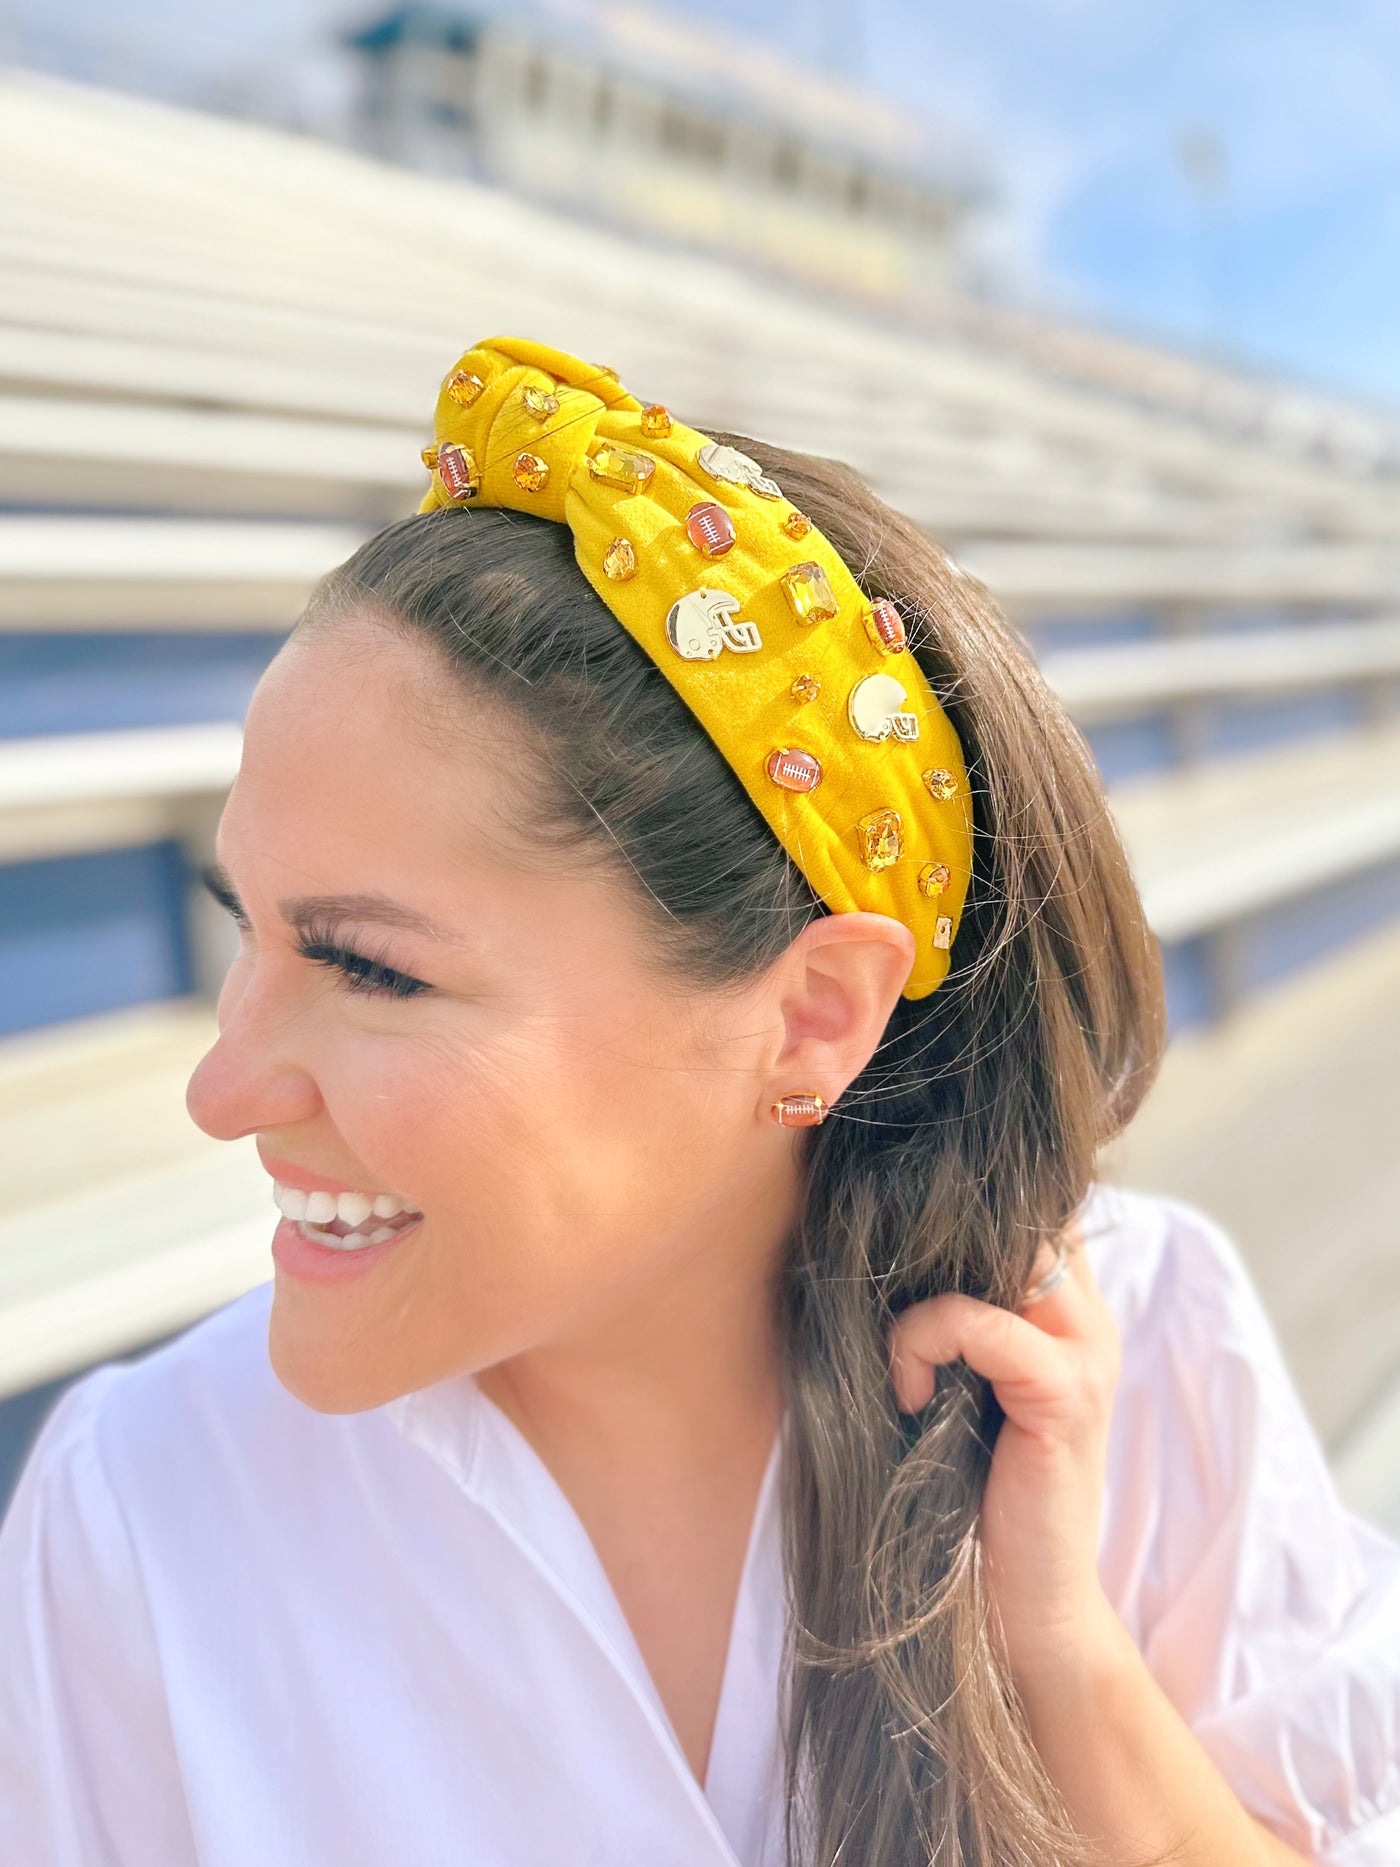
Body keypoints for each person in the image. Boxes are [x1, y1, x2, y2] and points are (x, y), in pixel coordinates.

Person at [0, 335, 1396, 1867]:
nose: (222, 1090)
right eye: (244, 930)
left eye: (371, 971)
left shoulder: (1145, 1357)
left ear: (812, 1020)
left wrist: (1063, 1657)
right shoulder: (138, 1504)